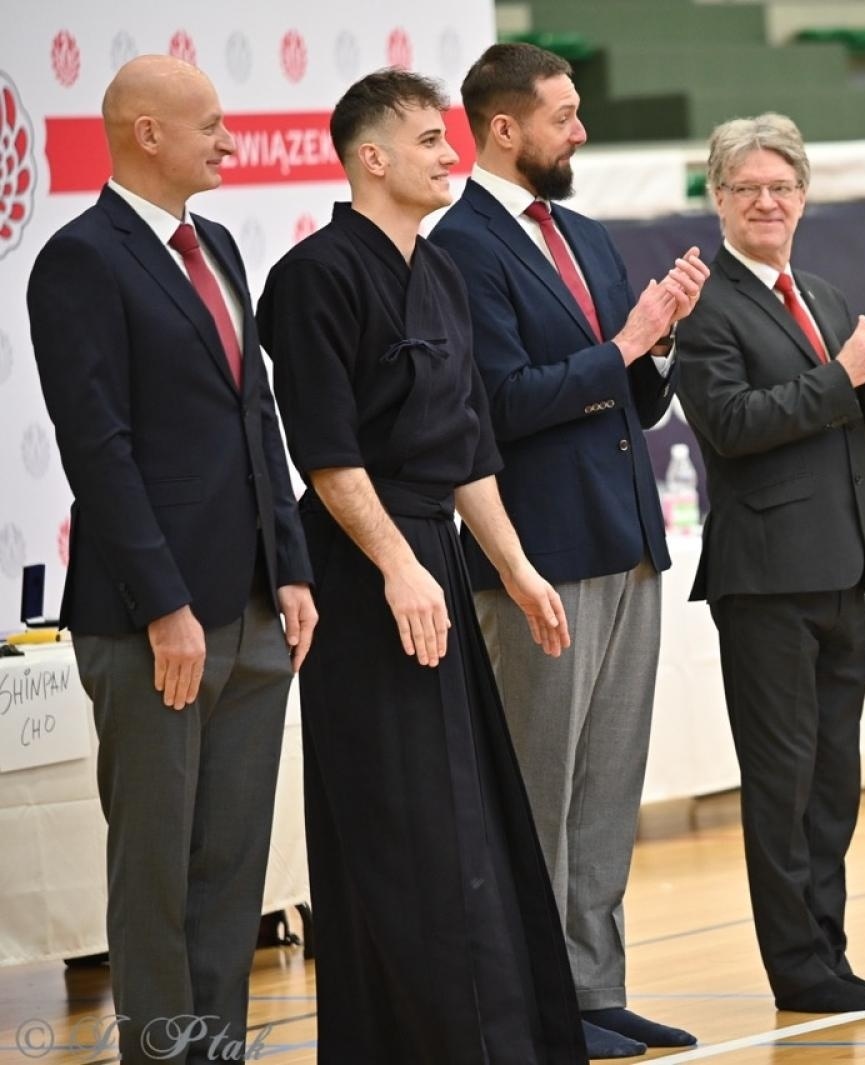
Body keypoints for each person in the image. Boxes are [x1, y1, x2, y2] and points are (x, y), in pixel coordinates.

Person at [256, 70, 585, 1063]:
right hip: (363, 572)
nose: (452, 156)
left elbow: (469, 449)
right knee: (398, 820)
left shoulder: (437, 271)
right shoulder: (315, 275)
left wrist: (517, 569)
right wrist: (400, 568)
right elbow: (325, 451)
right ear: (373, 158)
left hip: (430, 553)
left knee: (466, 810)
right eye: (432, 142)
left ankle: (493, 1034)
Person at [26, 55, 315, 1065]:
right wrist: (163, 606)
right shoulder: (79, 258)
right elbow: (97, 449)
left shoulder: (222, 244)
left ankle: (216, 1048)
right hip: (155, 620)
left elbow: (256, 414)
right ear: (146, 133)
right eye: (212, 125)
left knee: (231, 862)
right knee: (154, 862)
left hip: (249, 606)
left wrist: (291, 564)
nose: (230, 141)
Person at [428, 42, 707, 1059]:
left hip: (627, 539)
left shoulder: (585, 235)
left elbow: (627, 395)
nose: (580, 130)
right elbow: (497, 407)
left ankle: (595, 989)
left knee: (604, 793)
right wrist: (627, 344)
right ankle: (539, 1000)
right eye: (562, 115)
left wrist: (659, 342)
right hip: (537, 553)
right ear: (505, 129)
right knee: (542, 792)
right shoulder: (458, 247)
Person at [675, 112, 865, 1013]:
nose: (766, 202)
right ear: (718, 198)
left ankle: (827, 951)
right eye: (747, 188)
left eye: (781, 187)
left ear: (803, 197)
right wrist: (846, 370)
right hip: (764, 577)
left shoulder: (823, 295)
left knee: (833, 780)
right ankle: (795, 967)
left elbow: (861, 423)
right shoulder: (703, 305)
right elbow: (736, 426)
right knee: (783, 782)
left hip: (842, 566)